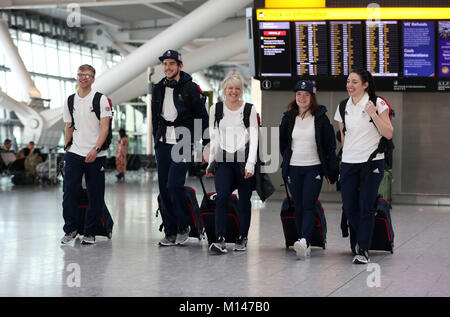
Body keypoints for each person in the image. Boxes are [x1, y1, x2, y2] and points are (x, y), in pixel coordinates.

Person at [334, 68, 394, 264]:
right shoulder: (343, 106)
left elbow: (388, 133)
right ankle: (359, 243)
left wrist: (373, 114)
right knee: (350, 207)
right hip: (349, 163)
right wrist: (348, 154)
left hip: (372, 163)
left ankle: (363, 248)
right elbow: (344, 135)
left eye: (354, 82)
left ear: (365, 84)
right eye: (348, 81)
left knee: (366, 206)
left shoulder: (377, 103)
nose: (349, 85)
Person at [151, 49, 209, 247]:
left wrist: (205, 144)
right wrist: (155, 143)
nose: (167, 68)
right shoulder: (157, 88)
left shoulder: (190, 88)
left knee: (174, 185)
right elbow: (154, 118)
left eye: (171, 64)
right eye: (165, 64)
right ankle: (170, 231)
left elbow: (202, 117)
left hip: (183, 139)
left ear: (179, 66)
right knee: (163, 189)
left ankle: (184, 226)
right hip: (163, 142)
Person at [279, 80, 337, 260]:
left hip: (314, 168)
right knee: (298, 206)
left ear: (312, 97)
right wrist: (288, 162)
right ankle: (303, 241)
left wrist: (331, 171)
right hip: (294, 168)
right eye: (298, 94)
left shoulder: (320, 118)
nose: (302, 98)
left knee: (309, 204)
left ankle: (304, 240)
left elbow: (330, 146)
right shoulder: (289, 117)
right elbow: (283, 143)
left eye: (306, 95)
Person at [206, 72, 258, 254]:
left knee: (244, 200)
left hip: (243, 159)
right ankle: (219, 238)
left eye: (237, 89)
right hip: (224, 159)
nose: (233, 92)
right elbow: (214, 138)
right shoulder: (215, 109)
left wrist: (251, 164)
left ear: (241, 91)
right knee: (221, 196)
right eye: (230, 88)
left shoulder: (249, 109)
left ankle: (242, 237)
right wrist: (210, 162)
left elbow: (255, 137)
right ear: (224, 90)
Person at [60, 64, 113, 245]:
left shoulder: (101, 99)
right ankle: (71, 228)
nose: (83, 78)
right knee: (69, 191)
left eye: (88, 75)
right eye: (81, 74)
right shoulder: (69, 100)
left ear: (93, 78)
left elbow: (105, 128)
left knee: (95, 194)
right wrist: (68, 147)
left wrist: (96, 149)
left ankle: (90, 232)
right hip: (74, 152)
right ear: (77, 76)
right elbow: (68, 125)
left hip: (96, 154)